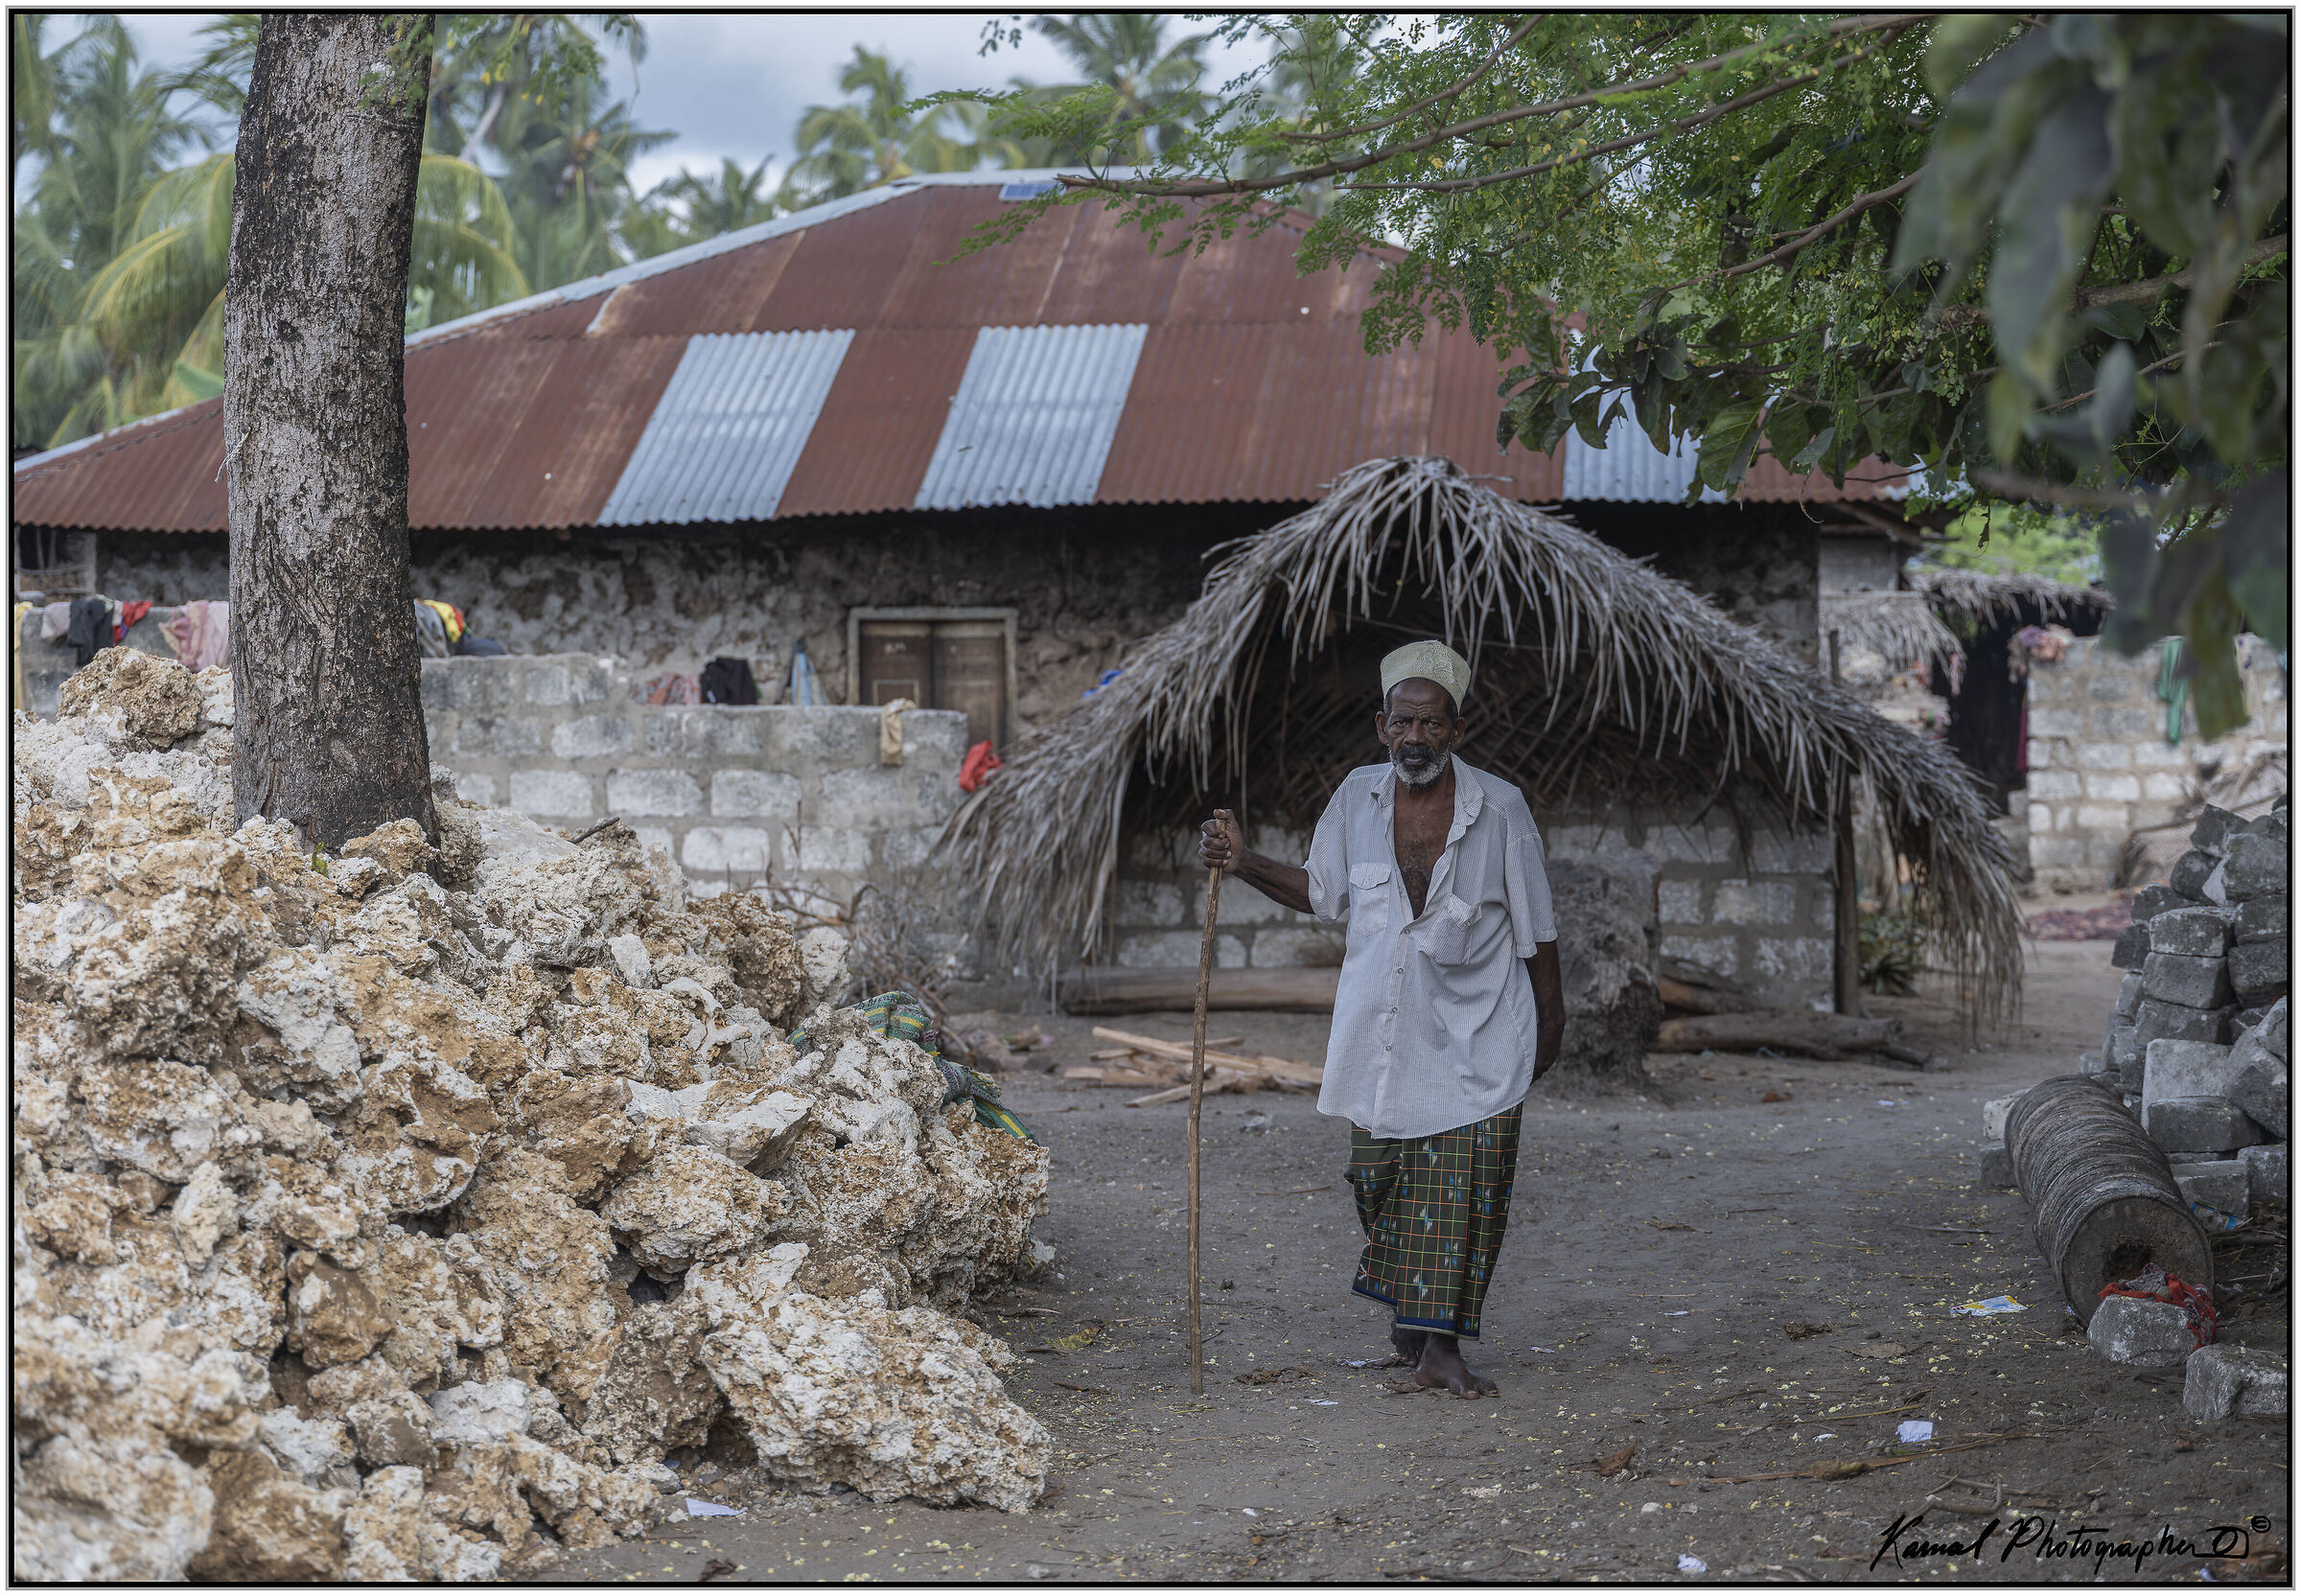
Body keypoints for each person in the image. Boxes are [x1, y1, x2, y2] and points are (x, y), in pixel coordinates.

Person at [1198, 639, 1563, 1398]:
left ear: (1456, 731)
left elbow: (1538, 933)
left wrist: (1549, 1033)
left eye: (1432, 725)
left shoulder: (1501, 811)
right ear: (1381, 725)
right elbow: (1322, 892)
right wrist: (1244, 862)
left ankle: (1441, 1348)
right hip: (1382, 1040)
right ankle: (1412, 1319)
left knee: (1462, 1195)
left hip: (1479, 1039)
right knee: (1379, 1181)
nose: (1416, 739)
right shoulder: (1355, 799)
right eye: (1403, 723)